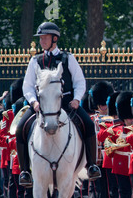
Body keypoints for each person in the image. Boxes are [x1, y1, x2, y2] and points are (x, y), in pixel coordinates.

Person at [16, 22, 101, 187]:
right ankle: (25, 171)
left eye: (45, 38)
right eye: (40, 38)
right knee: (20, 128)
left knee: (89, 125)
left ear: (55, 38)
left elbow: (79, 82)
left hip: (67, 104)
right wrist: (33, 102)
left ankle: (91, 165)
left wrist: (77, 99)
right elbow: (27, 86)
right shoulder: (35, 60)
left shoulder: (68, 58)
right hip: (42, 106)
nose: (42, 41)